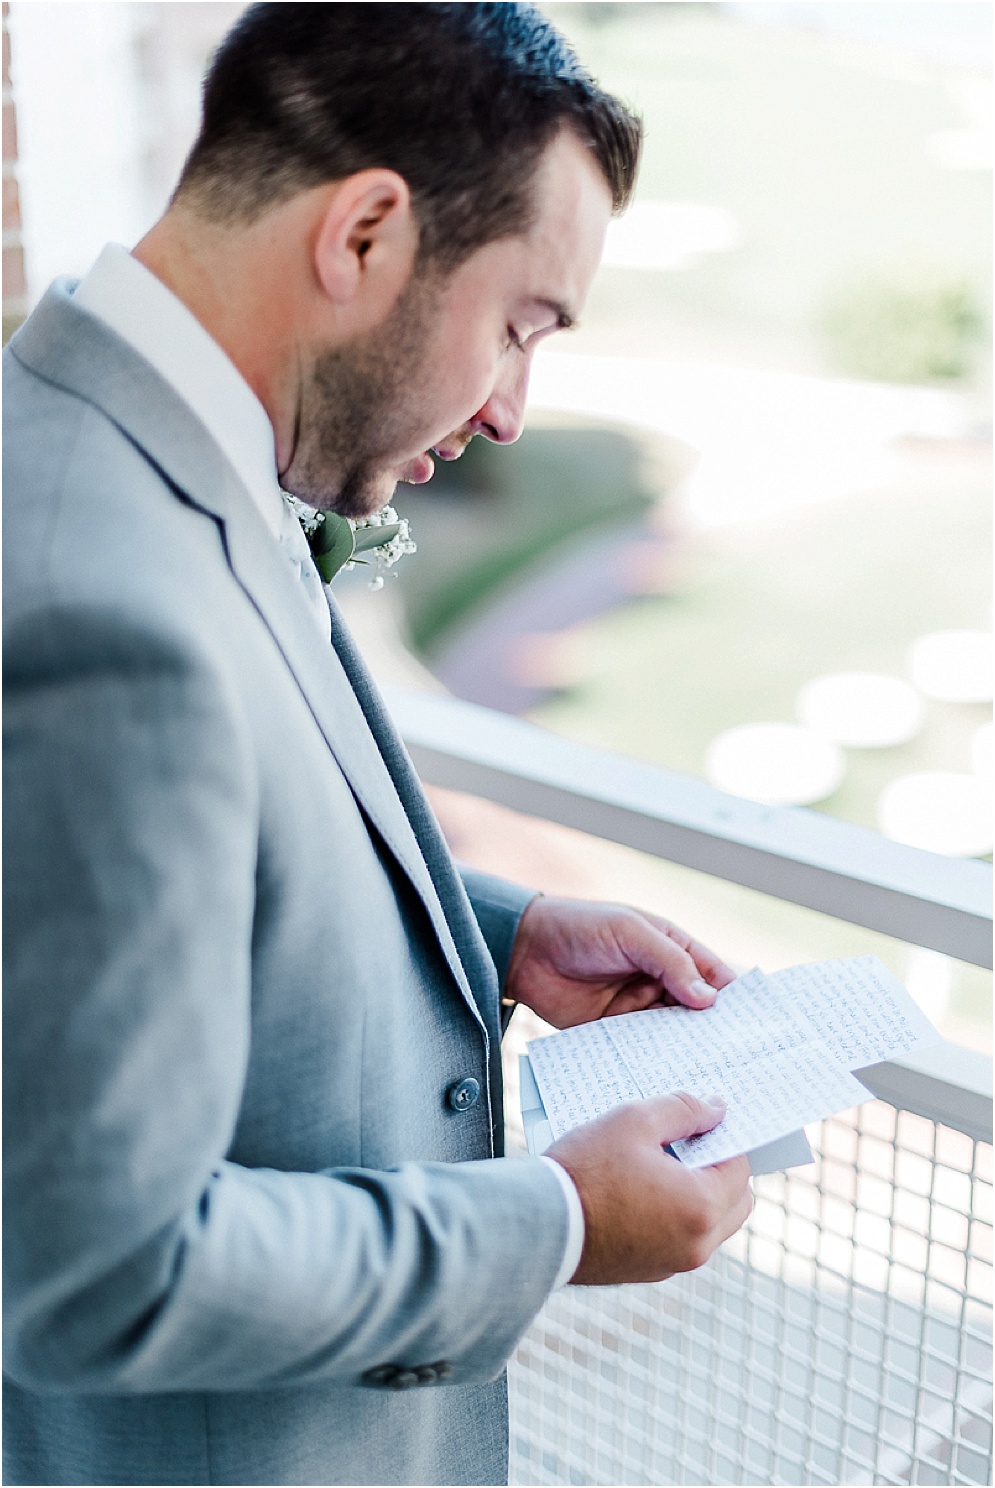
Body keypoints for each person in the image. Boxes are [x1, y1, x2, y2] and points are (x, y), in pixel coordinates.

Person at [3, 5, 753, 1485]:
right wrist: (554, 1225)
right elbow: (100, 1267)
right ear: (363, 236)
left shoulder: (108, 444)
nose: (512, 411)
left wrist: (490, 930)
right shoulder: (106, 603)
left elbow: (104, 884)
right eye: (522, 322)